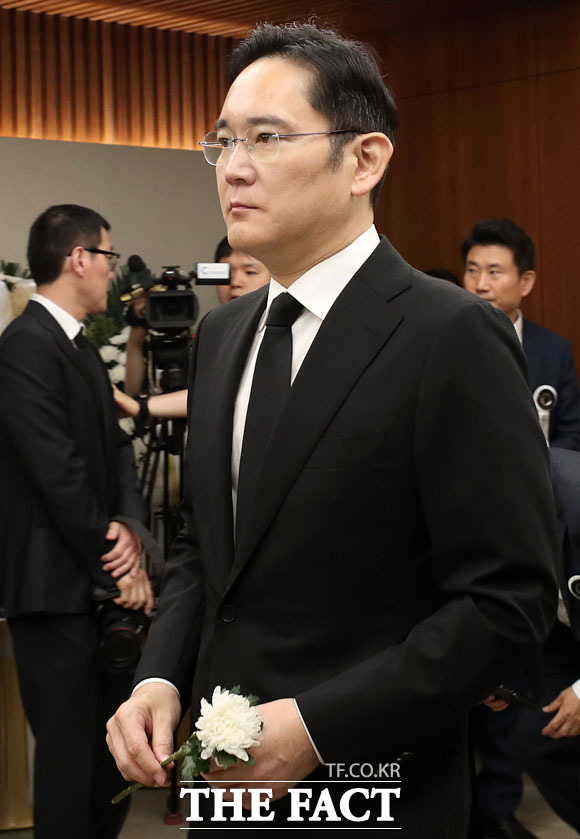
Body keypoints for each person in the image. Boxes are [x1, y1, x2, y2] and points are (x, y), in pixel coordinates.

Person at [106, 23, 558, 835]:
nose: (233, 166)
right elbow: (209, 551)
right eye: (224, 140)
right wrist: (159, 678)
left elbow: (506, 603)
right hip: (226, 787)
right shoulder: (223, 334)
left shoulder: (448, 334)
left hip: (376, 789)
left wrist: (316, 727)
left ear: (365, 160)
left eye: (267, 137)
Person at [0, 204, 154, 839]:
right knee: (66, 760)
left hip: (96, 582)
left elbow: (118, 448)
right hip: (53, 590)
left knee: (107, 763)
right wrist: (115, 559)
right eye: (109, 256)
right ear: (79, 258)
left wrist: (132, 531)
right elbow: (55, 472)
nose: (114, 272)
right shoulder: (23, 347)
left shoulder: (81, 347)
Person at [114, 240, 270, 420]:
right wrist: (137, 335)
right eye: (226, 273)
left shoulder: (278, 335)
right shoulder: (211, 334)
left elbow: (223, 394)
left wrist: (143, 406)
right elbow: (132, 394)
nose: (235, 282)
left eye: (250, 272)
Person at [462, 218, 580, 450]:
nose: (481, 285)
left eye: (494, 272)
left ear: (525, 282)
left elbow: (573, 434)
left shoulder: (554, 350)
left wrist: (537, 464)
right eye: (472, 271)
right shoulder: (441, 342)